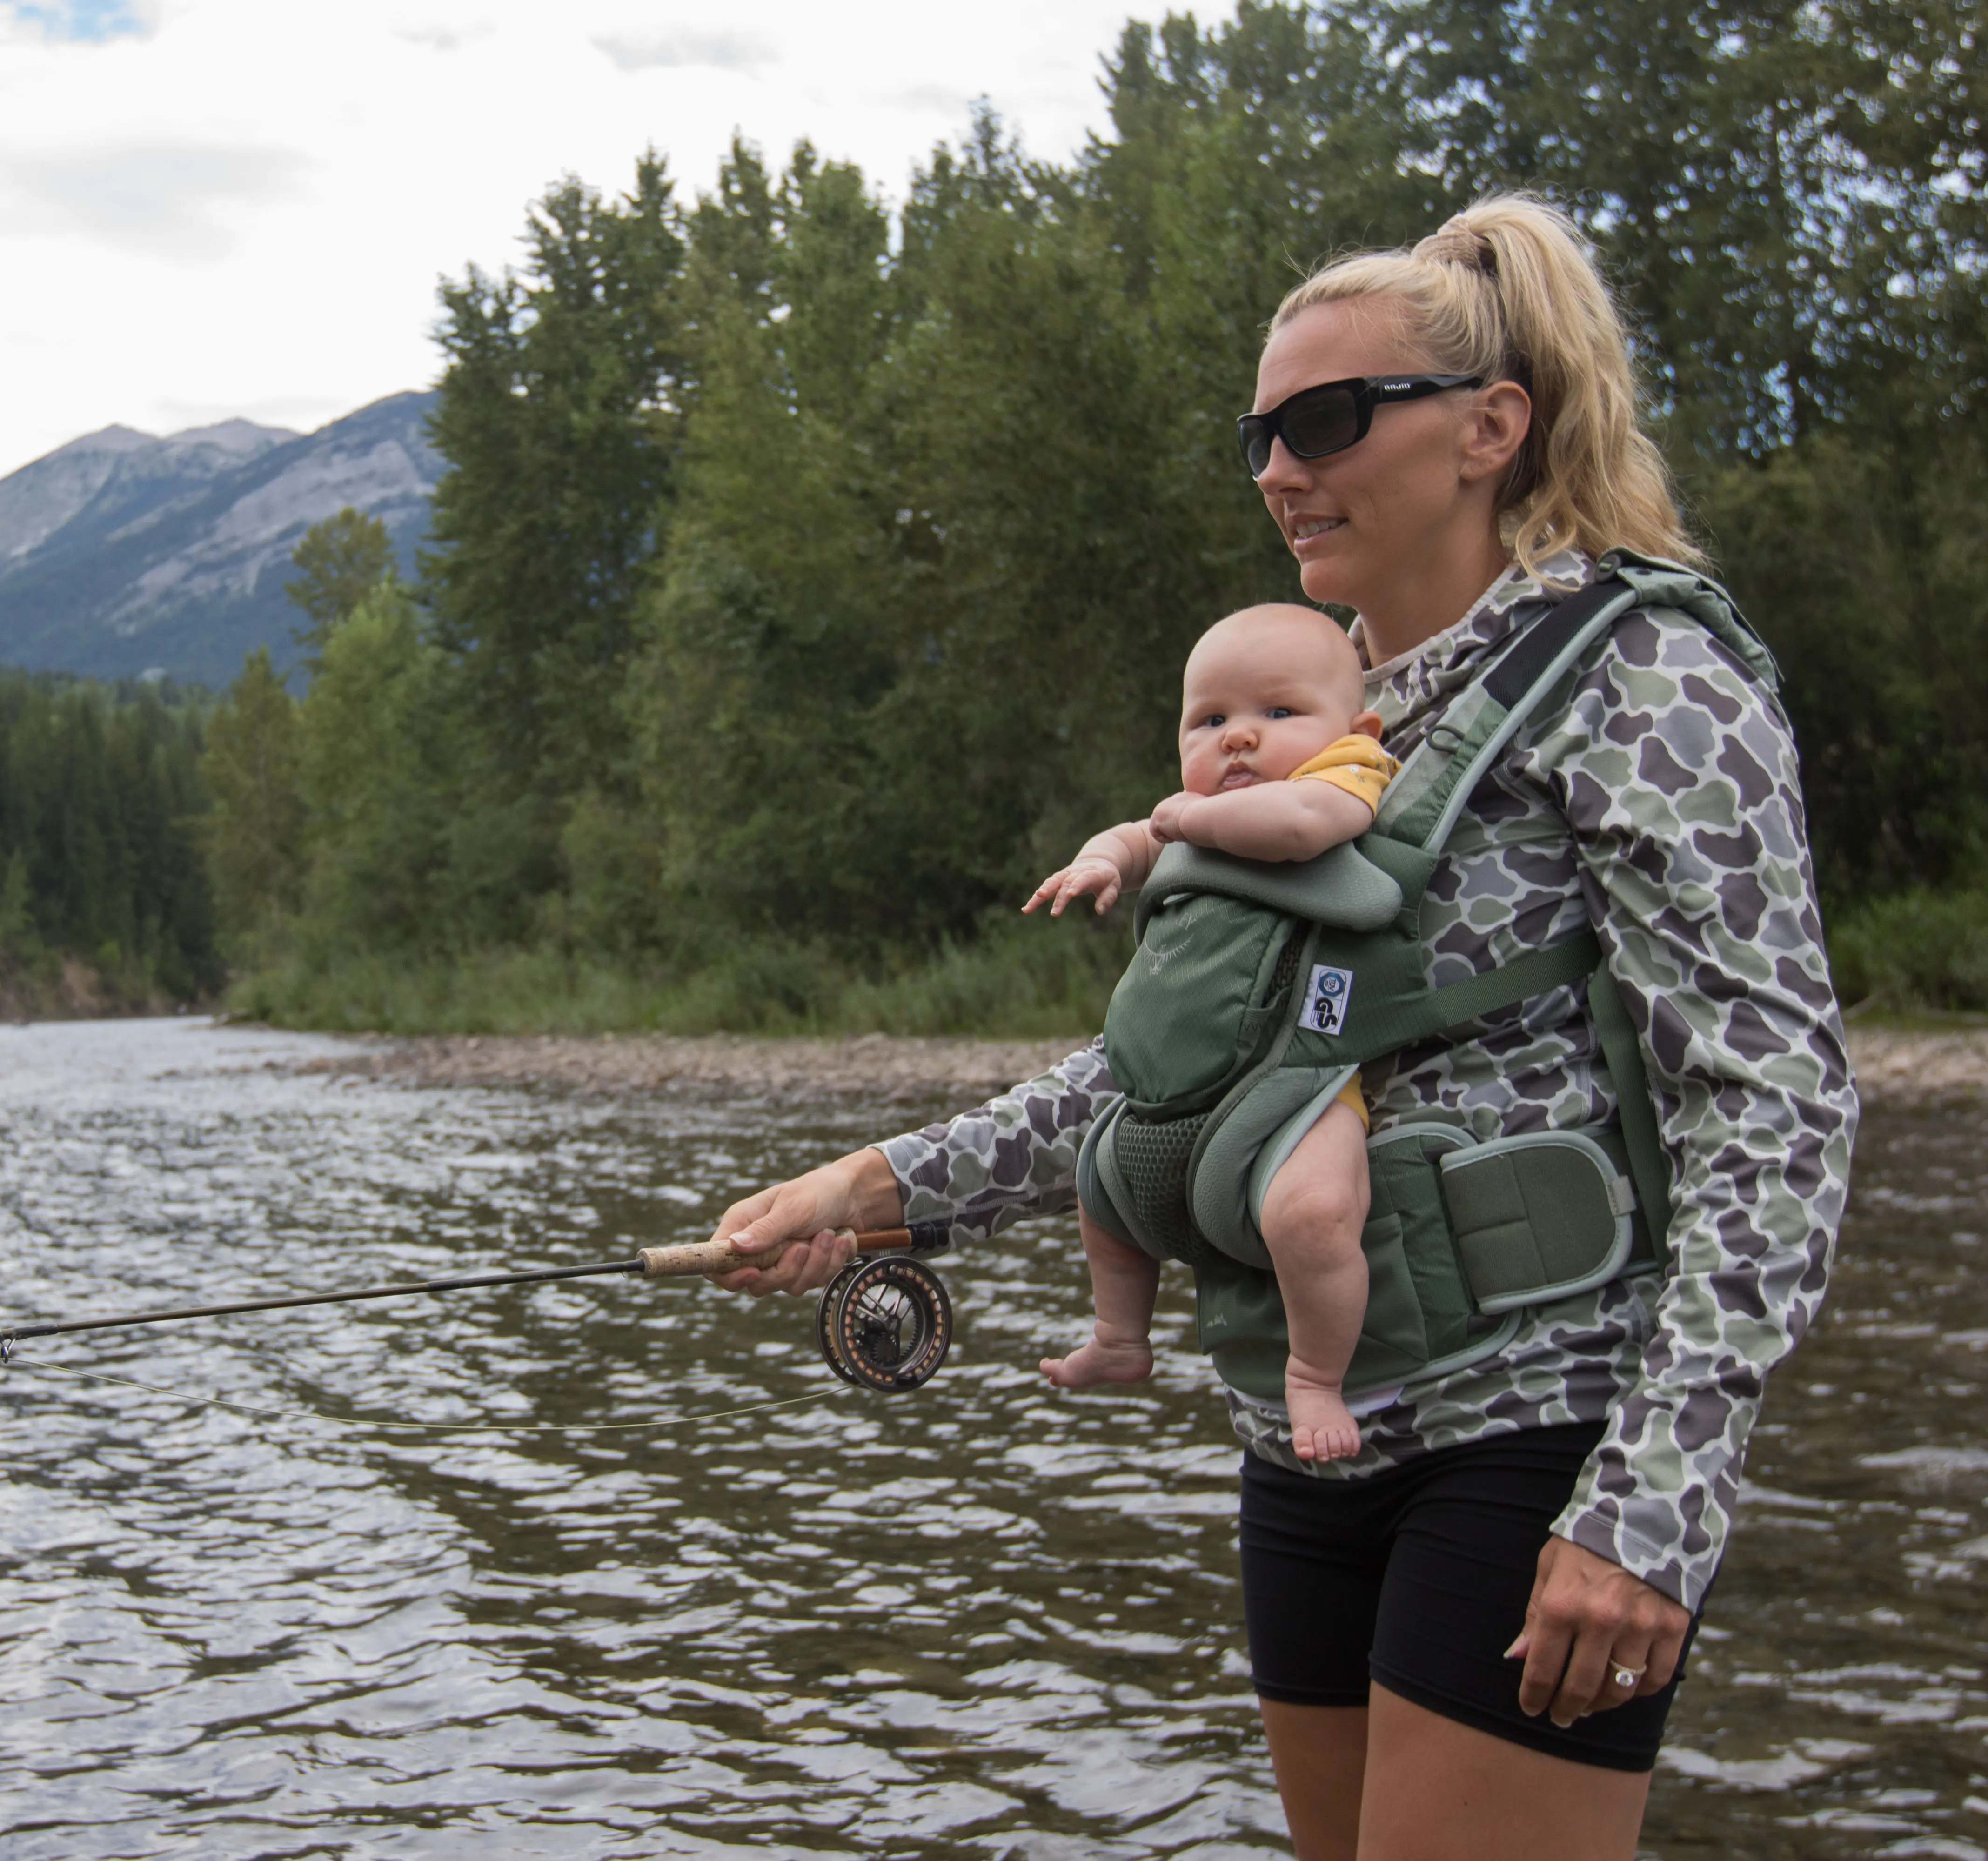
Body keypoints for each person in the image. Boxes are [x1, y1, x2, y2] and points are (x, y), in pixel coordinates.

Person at [704, 194, 1854, 1861]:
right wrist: (874, 1185)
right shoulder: (1322, 720)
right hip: (1306, 1456)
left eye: (1324, 422)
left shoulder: (1648, 677)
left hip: (1543, 1445)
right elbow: (1172, 1071)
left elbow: (1776, 1112)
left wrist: (1654, 1505)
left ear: (1490, 428)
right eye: (1261, 433)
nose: (1276, 467)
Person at [1024, 602, 1400, 1463]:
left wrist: (1182, 824)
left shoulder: (1345, 776)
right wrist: (1104, 859)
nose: (1240, 739)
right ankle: (1122, 1336)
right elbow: (1136, 833)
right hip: (1168, 1095)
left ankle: (1313, 1375)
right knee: (1100, 1188)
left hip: (1296, 1080)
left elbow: (1303, 830)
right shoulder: (1190, 813)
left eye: (1277, 714)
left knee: (1317, 1213)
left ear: (1356, 726)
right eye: (1212, 720)